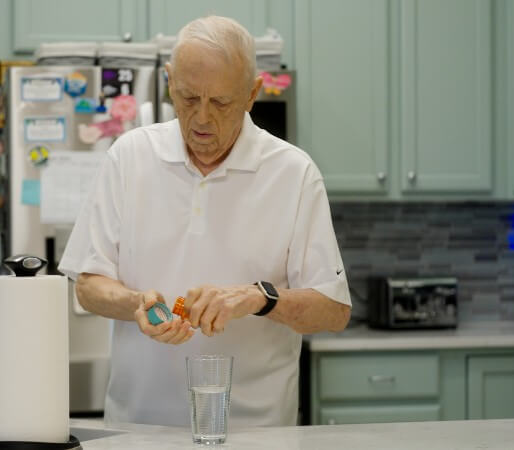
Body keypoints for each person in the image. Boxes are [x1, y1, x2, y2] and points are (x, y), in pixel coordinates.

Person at [59, 16, 351, 428]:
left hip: (255, 435)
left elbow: (333, 310)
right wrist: (137, 304)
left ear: (252, 94)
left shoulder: (293, 174)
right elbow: (89, 285)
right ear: (169, 81)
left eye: (220, 103)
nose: (201, 119)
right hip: (137, 430)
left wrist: (259, 298)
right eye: (188, 98)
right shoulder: (129, 158)